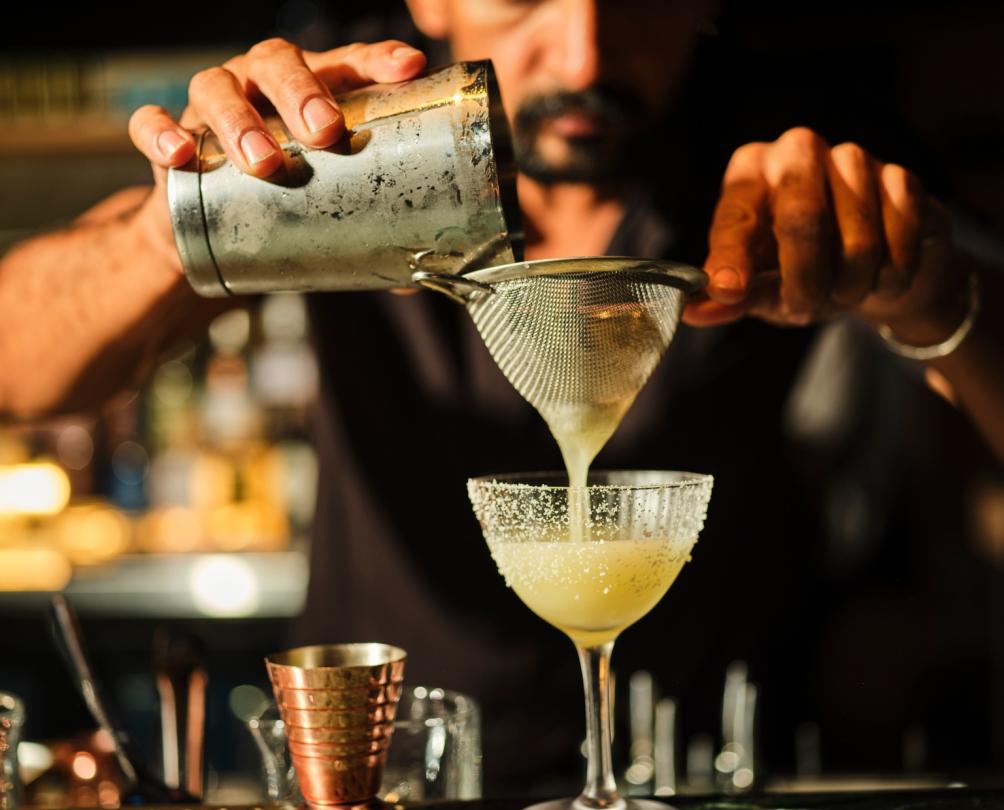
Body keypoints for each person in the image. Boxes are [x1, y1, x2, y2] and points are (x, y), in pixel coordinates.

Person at [1, 0, 1002, 790]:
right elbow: (18, 371)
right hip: (390, 773)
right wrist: (194, 212)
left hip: (709, 769)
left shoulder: (788, 143)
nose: (580, 55)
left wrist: (930, 294)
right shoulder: (337, 131)